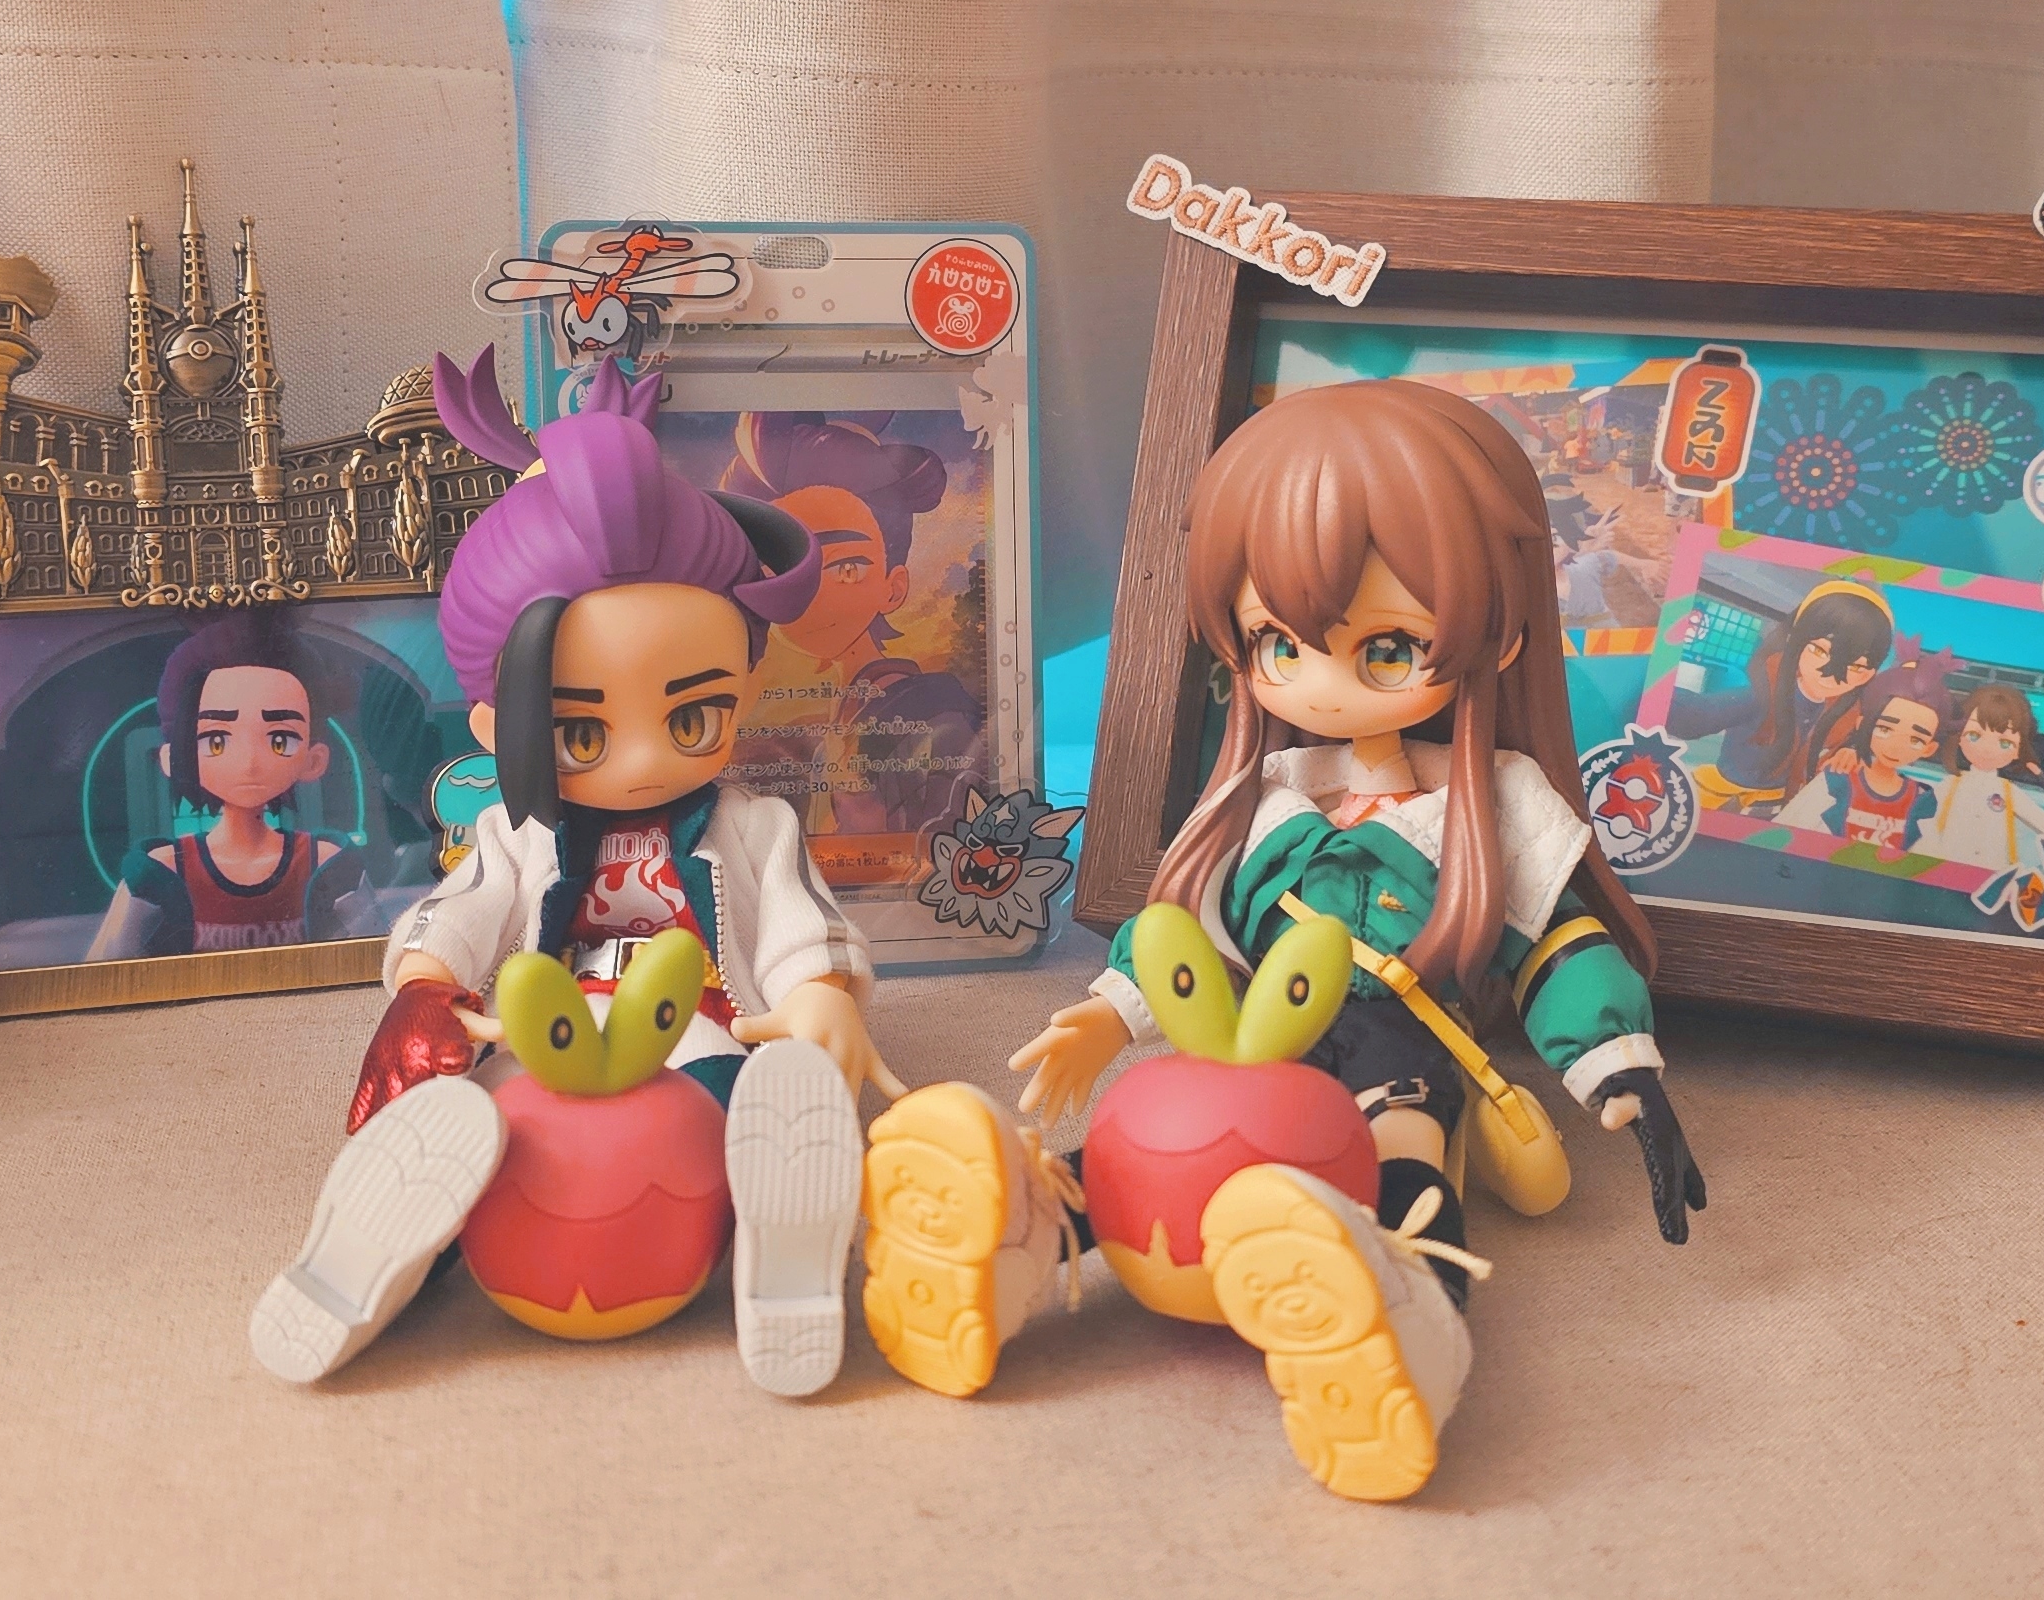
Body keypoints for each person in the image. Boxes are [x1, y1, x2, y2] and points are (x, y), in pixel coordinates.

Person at [855, 378, 1707, 1503]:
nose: (1322, 683)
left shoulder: (1492, 800)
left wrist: (1618, 1064)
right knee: (1158, 1136)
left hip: (1400, 1039)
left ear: (1495, 633)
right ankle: (1021, 1231)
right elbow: (1187, 932)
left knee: (1401, 1149)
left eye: (1388, 648)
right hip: (1247, 1033)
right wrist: (1107, 1015)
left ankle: (1408, 1312)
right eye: (1278, 643)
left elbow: (1558, 944)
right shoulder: (1268, 793)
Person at [247, 351, 899, 1398]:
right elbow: (462, 910)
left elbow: (795, 921)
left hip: (698, 1022)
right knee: (483, 1122)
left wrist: (822, 993)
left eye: (692, 716)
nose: (642, 762)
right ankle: (391, 1252)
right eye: (581, 732)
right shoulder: (517, 831)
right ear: (492, 725)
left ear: (743, 685)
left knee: (736, 1105)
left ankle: (775, 1229)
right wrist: (426, 986)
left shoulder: (754, 823)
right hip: (542, 1024)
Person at [720, 413, 987, 840]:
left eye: (846, 569)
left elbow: (945, 852)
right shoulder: (834, 724)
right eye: (782, 573)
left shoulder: (935, 720)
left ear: (893, 587)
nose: (814, 596)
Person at [82, 611, 373, 961]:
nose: (249, 762)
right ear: (174, 757)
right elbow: (105, 970)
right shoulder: (160, 872)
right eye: (217, 740)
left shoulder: (328, 863)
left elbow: (372, 960)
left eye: (279, 740)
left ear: (314, 760)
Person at [1660, 580, 1896, 813]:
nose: (1830, 674)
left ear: (1867, 674)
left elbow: (1864, 742)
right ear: (1795, 643)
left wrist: (1852, 750)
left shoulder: (1844, 716)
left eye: (1854, 666)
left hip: (1780, 807)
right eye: (1819, 650)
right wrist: (1651, 686)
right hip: (1719, 798)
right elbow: (1698, 715)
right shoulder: (1764, 696)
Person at [1772, 647, 1958, 854]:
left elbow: (1930, 859)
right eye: (1885, 729)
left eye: (1915, 739)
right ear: (1863, 725)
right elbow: (1785, 832)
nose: (1896, 745)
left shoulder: (1922, 800)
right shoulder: (1836, 781)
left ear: (1929, 748)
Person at [1911, 681, 2044, 880]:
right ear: (1959, 737)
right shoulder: (1946, 787)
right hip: (1946, 878)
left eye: (2004, 742)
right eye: (1974, 736)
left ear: (2019, 749)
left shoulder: (2009, 794)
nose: (1987, 749)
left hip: (1991, 884)